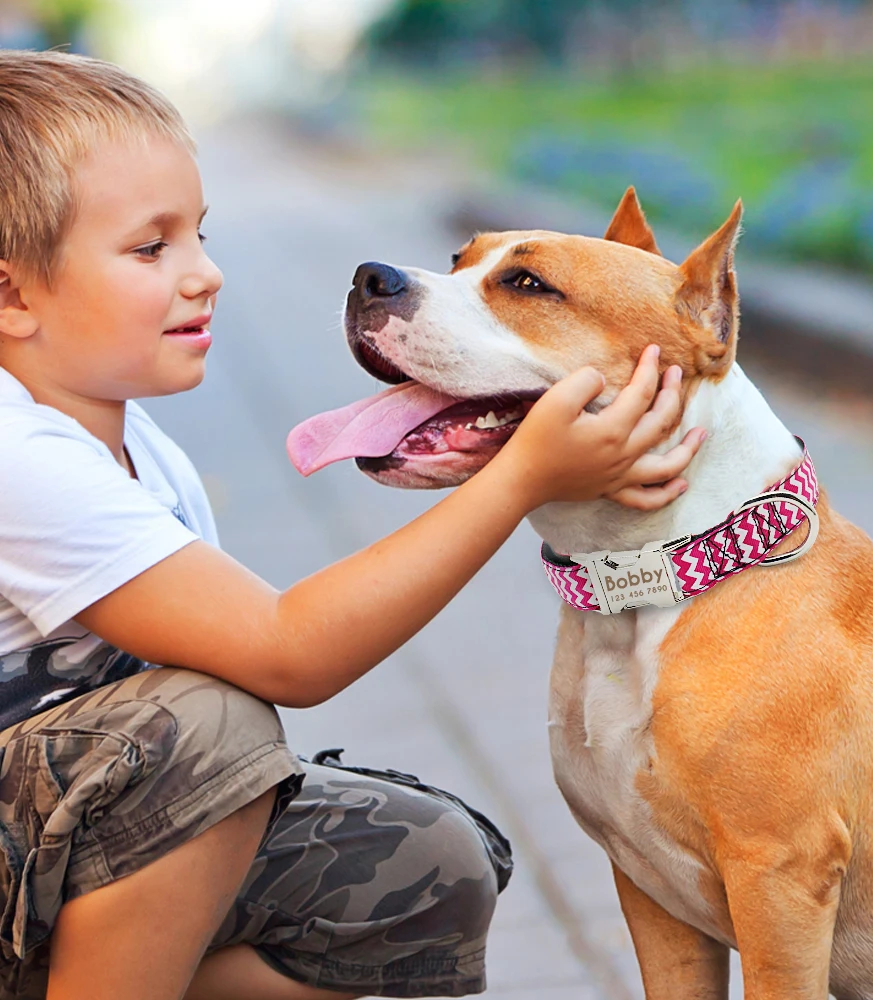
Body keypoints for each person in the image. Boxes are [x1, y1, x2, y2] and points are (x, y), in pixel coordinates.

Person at [0, 49, 705, 1000]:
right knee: (211, 729)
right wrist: (517, 478)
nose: (205, 274)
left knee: (423, 865)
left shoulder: (140, 449)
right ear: (12, 296)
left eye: (199, 235)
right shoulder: (18, 457)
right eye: (149, 249)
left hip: (52, 849)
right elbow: (287, 655)